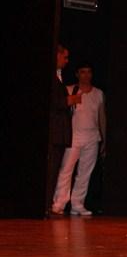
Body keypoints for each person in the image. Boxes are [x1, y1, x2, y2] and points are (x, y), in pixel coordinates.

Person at [51, 61, 106, 216]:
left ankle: (77, 204)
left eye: (89, 72)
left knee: (85, 173)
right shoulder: (70, 90)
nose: (86, 75)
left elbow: (102, 117)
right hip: (74, 136)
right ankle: (59, 203)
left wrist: (103, 138)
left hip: (92, 137)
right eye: (82, 72)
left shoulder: (98, 94)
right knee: (66, 170)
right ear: (77, 74)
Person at [49, 45, 81, 215]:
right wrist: (69, 100)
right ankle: (48, 204)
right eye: (65, 57)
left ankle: (48, 203)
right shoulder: (53, 77)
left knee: (55, 170)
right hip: (55, 132)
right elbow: (54, 102)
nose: (66, 61)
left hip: (60, 133)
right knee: (53, 169)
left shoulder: (58, 76)